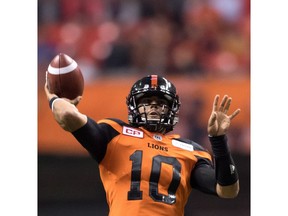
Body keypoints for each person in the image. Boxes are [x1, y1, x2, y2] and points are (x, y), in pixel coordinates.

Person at [44, 74, 240, 216]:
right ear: (133, 106)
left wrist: (218, 140)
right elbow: (68, 115)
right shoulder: (114, 132)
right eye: (146, 101)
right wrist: (55, 98)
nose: (154, 106)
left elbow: (227, 190)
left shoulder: (191, 150)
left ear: (173, 109)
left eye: (161, 102)